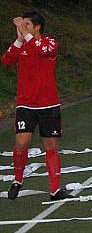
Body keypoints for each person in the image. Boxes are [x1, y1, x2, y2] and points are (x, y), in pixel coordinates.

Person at [1, 12, 69, 201]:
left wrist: (26, 36)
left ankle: (55, 190)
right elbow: (6, 61)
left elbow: (43, 51)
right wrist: (18, 39)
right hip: (26, 104)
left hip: (48, 103)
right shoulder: (22, 45)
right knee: (22, 142)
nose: (24, 28)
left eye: (27, 24)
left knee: (51, 145)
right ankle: (17, 179)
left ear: (37, 27)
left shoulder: (50, 43)